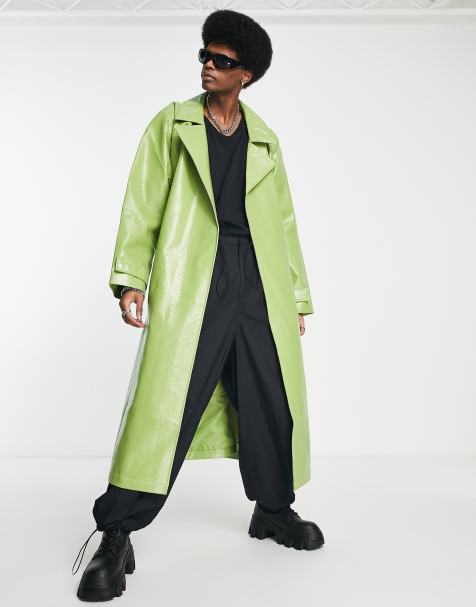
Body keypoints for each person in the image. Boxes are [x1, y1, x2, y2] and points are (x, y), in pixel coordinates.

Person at [72, 8, 324, 602]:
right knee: (166, 404)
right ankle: (116, 533)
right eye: (204, 56)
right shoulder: (172, 124)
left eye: (222, 60)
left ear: (246, 75)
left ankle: (273, 510)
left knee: (268, 397)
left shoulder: (265, 139)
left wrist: (295, 296)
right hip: (195, 276)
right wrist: (131, 278)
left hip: (258, 279)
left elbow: (284, 224)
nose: (208, 66)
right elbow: (142, 203)